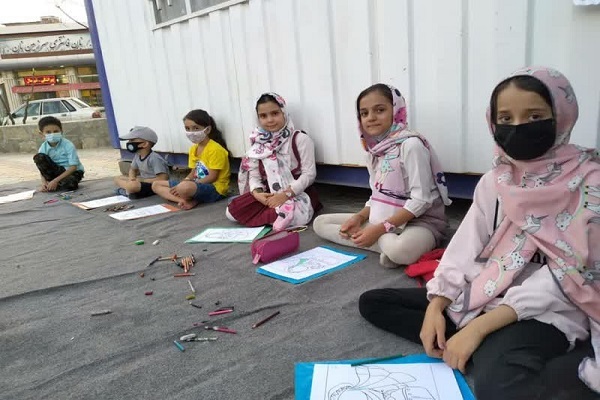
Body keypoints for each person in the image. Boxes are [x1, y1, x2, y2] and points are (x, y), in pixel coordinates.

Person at [359, 67, 600, 399]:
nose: (518, 127)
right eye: (506, 118)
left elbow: (571, 276)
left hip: (545, 311)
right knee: (374, 302)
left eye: (534, 116)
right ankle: (483, 346)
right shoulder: (496, 180)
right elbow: (465, 246)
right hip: (485, 293)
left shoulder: (588, 186)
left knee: (498, 388)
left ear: (561, 115)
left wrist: (480, 328)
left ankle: (493, 347)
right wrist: (437, 304)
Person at [312, 84, 451, 268]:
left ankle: (385, 247)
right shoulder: (374, 152)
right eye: (364, 113)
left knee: (400, 250)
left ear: (397, 111)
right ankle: (381, 245)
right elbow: (376, 196)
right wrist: (359, 218)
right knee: (321, 223)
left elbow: (422, 200)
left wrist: (378, 230)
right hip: (384, 218)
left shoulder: (411, 145)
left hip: (420, 222)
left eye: (380, 110)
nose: (371, 118)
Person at [226, 92, 321, 230]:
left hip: (296, 192)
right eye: (263, 116)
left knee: (297, 216)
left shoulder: (299, 139)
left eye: (275, 113)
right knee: (231, 212)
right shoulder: (259, 143)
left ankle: (274, 215)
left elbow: (309, 174)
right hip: (269, 193)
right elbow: (254, 176)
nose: (270, 120)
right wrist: (258, 194)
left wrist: (285, 195)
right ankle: (275, 215)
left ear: (284, 112)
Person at [152, 109, 230, 209]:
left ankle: (189, 197)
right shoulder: (194, 149)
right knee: (156, 184)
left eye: (196, 128)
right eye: (187, 129)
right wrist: (186, 180)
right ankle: (183, 200)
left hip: (215, 189)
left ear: (207, 130)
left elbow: (212, 177)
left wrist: (187, 184)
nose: (191, 132)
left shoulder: (216, 149)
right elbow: (194, 172)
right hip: (195, 184)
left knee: (185, 187)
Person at [114, 126, 168, 198]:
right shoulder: (137, 155)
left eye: (132, 140)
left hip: (153, 185)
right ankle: (129, 191)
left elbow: (163, 179)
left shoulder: (154, 158)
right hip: (141, 182)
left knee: (133, 186)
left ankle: (128, 191)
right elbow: (132, 169)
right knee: (117, 178)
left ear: (145, 144)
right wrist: (132, 178)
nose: (129, 143)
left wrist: (142, 180)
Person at [33, 116, 84, 192]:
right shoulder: (43, 148)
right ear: (42, 134)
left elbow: (73, 167)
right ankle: (52, 183)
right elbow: (42, 168)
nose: (52, 134)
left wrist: (55, 181)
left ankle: (56, 183)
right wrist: (43, 182)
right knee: (38, 157)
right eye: (48, 132)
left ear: (61, 132)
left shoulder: (68, 145)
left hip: (72, 172)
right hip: (56, 171)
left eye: (56, 131)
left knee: (70, 184)